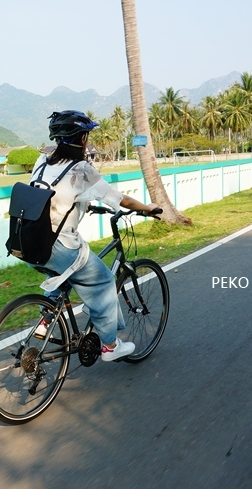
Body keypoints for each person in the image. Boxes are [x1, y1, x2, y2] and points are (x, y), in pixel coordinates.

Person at [29, 110, 161, 362]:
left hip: (30, 242)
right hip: (59, 244)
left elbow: (50, 194)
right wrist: (149, 208)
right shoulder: (81, 169)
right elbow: (120, 199)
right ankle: (110, 346)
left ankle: (44, 321)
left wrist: (82, 203)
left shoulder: (42, 161)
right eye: (86, 135)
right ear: (81, 138)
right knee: (102, 282)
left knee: (63, 274)